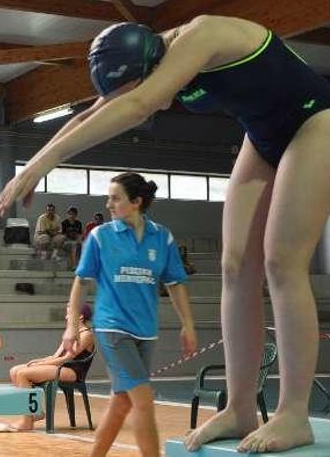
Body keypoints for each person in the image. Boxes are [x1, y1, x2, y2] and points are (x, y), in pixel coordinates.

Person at [0, 16, 330, 454]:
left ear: (149, 66)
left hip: (316, 124)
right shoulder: (147, 60)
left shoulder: (202, 36)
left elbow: (139, 103)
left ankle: (294, 413)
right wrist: (31, 164)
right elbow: (97, 110)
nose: (156, 102)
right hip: (263, 137)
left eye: (137, 87)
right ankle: (240, 407)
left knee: (281, 262)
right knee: (234, 266)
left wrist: (41, 166)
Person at [58, 173, 198, 456]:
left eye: (115, 198)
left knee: (122, 402)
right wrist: (72, 326)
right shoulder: (100, 236)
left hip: (146, 331)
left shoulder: (162, 237)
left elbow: (176, 284)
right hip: (112, 327)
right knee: (143, 401)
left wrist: (188, 325)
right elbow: (81, 282)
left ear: (136, 202)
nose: (108, 204)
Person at [0, 303, 96, 433]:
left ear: (80, 317)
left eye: (69, 313)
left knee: (23, 374)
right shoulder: (70, 332)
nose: (66, 317)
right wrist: (39, 361)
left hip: (73, 372)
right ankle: (35, 412)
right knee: (15, 371)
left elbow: (65, 358)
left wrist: (40, 365)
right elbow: (55, 355)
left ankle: (26, 422)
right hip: (61, 367)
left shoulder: (86, 335)